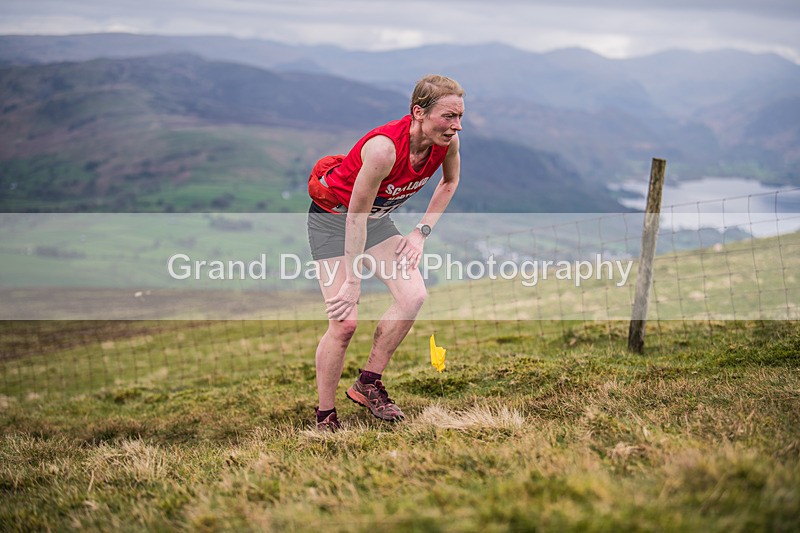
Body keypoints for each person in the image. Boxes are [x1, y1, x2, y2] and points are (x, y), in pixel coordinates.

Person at [306, 74, 465, 431]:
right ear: (418, 112)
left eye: (459, 117)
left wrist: (421, 233)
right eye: (448, 117)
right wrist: (351, 280)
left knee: (413, 295)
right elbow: (354, 218)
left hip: (375, 222)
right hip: (335, 223)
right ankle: (325, 416)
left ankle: (368, 383)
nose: (456, 127)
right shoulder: (383, 150)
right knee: (344, 323)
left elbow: (450, 182)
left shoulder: (446, 144)